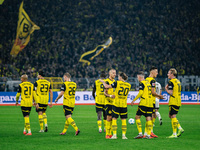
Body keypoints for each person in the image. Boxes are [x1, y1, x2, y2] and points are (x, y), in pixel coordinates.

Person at [100, 72, 131, 139]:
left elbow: (106, 86)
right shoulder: (129, 85)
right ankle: (124, 135)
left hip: (116, 104)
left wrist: (103, 82)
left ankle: (114, 135)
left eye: (119, 76)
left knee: (114, 119)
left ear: (120, 77)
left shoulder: (117, 83)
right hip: (124, 105)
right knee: (124, 120)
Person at [131, 71, 153, 139]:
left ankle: (140, 133)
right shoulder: (148, 83)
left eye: (137, 77)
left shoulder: (142, 83)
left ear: (140, 77)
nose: (137, 79)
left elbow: (140, 93)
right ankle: (148, 135)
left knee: (137, 117)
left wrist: (134, 100)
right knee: (148, 118)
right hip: (150, 103)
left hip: (144, 103)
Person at [165, 68, 184, 138]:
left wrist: (166, 89)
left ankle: (175, 133)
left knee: (173, 116)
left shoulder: (171, 82)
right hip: (178, 100)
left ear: (172, 74)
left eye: (169, 73)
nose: (167, 74)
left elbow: (171, 92)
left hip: (173, 101)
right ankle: (179, 128)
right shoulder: (178, 81)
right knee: (171, 115)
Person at [145, 67, 164, 138]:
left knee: (149, 116)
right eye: (156, 71)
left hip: (146, 100)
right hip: (152, 101)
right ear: (152, 72)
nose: (157, 73)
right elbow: (153, 92)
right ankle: (149, 133)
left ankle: (147, 133)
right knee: (151, 116)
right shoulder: (152, 81)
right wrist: (159, 96)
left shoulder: (146, 79)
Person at [104, 69, 116, 139]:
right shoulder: (107, 82)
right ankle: (107, 134)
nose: (114, 74)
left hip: (114, 103)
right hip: (108, 102)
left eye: (115, 73)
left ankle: (110, 133)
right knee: (108, 118)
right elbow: (104, 93)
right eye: (113, 73)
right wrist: (110, 96)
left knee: (112, 118)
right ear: (109, 73)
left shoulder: (115, 82)